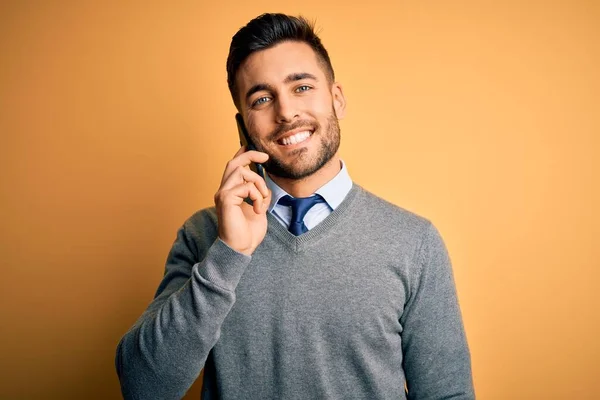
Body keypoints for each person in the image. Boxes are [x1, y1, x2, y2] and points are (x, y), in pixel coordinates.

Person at [115, 13, 475, 400]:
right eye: (263, 98)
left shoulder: (413, 242)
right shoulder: (203, 236)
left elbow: (447, 394)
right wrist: (229, 254)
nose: (285, 112)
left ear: (336, 99)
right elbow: (142, 388)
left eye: (301, 87)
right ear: (244, 125)